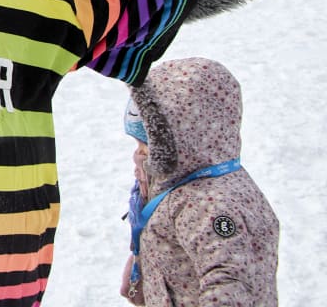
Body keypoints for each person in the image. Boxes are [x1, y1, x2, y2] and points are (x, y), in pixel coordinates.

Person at [119, 57, 279, 305]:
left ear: (182, 139)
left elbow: (229, 284)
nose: (139, 154)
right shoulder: (180, 181)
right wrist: (147, 269)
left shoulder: (210, 206)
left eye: (146, 145)